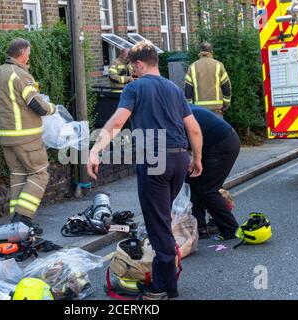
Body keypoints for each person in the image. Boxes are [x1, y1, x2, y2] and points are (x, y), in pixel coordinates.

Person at [87, 41, 203, 300]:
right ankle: (165, 278)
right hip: (179, 159)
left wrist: (95, 151)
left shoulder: (135, 87)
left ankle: (163, 287)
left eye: (132, 66)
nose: (132, 71)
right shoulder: (174, 89)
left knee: (158, 225)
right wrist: (197, 158)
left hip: (154, 161)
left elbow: (117, 122)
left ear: (139, 64)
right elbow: (193, 127)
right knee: (162, 219)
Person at [0, 38, 56, 232]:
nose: (29, 57)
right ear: (22, 53)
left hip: (7, 135)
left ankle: (15, 223)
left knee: (18, 175)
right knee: (39, 173)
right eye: (28, 53)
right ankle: (24, 218)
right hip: (26, 136)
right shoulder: (21, 75)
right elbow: (36, 105)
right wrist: (52, 108)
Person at [186, 105, 240, 241]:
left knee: (208, 190)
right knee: (192, 182)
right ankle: (199, 229)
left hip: (223, 145)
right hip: (212, 145)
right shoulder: (179, 108)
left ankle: (230, 229)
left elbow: (191, 135)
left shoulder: (176, 114)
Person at [184, 42, 232, 117]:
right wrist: (226, 104)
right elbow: (226, 86)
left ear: (200, 52)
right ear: (211, 51)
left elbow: (187, 89)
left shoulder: (192, 67)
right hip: (217, 110)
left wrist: (190, 107)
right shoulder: (219, 65)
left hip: (199, 110)